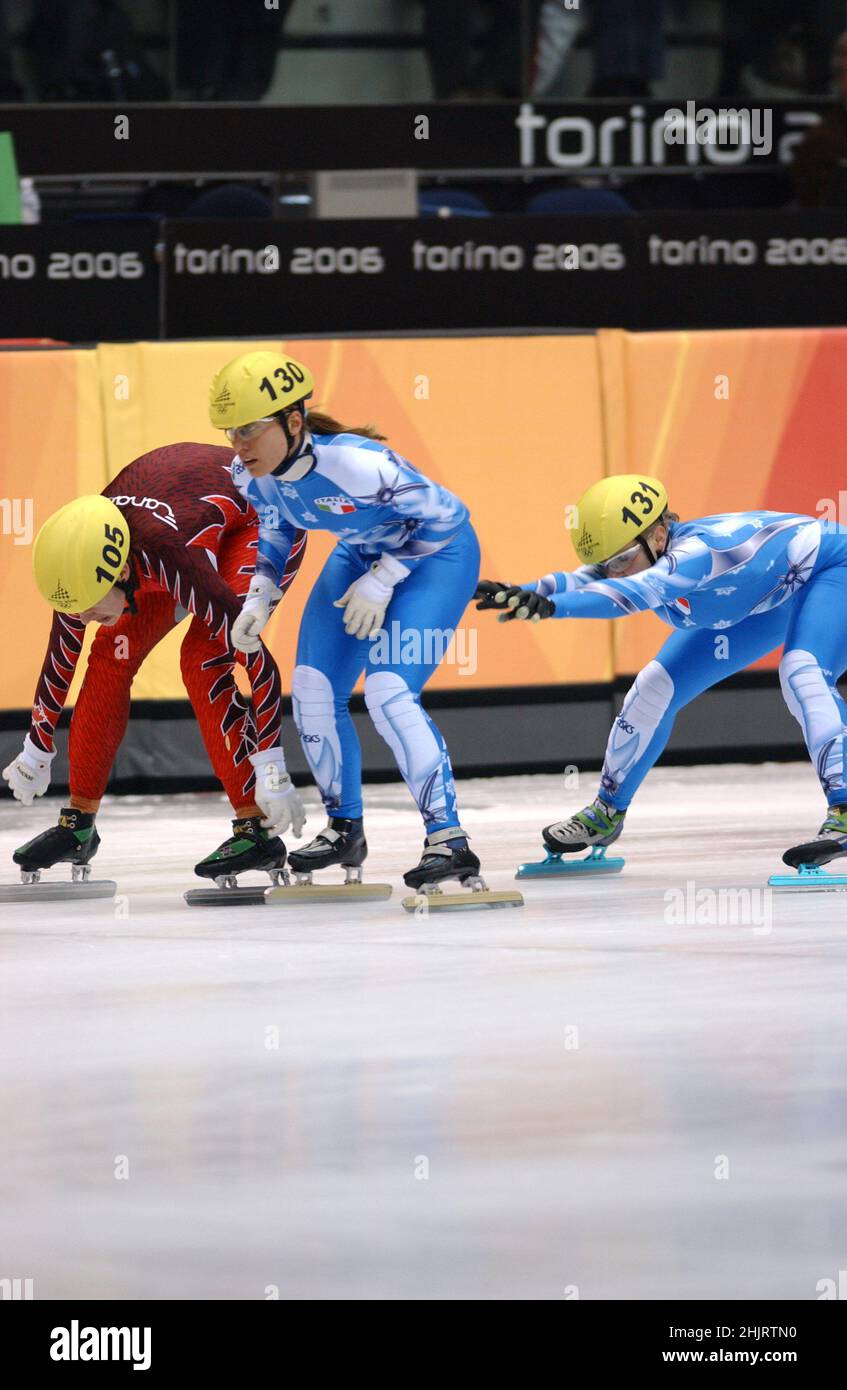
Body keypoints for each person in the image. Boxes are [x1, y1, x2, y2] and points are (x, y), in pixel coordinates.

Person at [208, 350, 482, 892]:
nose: (237, 445)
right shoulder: (251, 472)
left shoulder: (359, 464)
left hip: (437, 557)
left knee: (387, 691)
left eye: (247, 429)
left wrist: (385, 578)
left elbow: (450, 515)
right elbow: (277, 526)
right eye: (228, 432)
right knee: (311, 688)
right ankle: (344, 828)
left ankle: (449, 840)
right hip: (361, 553)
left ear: (292, 422)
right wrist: (261, 595)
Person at [475, 472, 847, 871]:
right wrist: (520, 591)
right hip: (767, 596)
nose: (615, 571)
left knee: (802, 672)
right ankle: (606, 813)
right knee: (653, 688)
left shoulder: (699, 554)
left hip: (831, 571)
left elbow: (629, 595)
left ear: (657, 535)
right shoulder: (638, 553)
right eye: (606, 563)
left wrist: (551, 608)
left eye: (621, 560)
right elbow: (582, 579)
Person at [2, 445, 306, 885]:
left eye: (90, 606)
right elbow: (59, 660)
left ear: (121, 572)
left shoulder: (172, 556)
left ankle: (256, 828)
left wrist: (273, 769)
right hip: (165, 533)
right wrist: (36, 748)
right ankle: (78, 824)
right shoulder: (76, 567)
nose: (84, 618)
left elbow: (257, 662)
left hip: (258, 519)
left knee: (205, 656)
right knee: (109, 653)